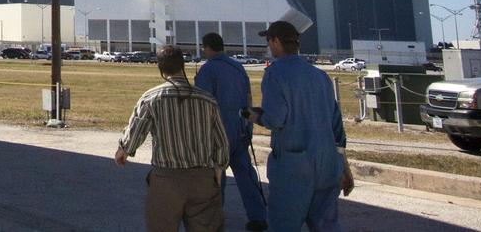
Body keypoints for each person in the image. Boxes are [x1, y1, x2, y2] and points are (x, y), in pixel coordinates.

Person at [243, 21, 353, 232]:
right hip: (327, 164)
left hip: (294, 167)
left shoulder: (275, 74)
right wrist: (343, 167)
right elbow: (337, 127)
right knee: (327, 225)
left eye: (269, 41)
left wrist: (254, 116)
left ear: (275, 41)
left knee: (284, 224)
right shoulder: (321, 76)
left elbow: (275, 119)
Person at [115, 45, 230, 232]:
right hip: (202, 178)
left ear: (160, 68)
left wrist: (124, 150)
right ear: (182, 65)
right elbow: (221, 140)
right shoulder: (207, 99)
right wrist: (219, 167)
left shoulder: (151, 98)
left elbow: (137, 130)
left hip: (167, 179)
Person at [195, 32, 268, 231]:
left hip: (218, 131)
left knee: (216, 177)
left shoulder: (208, 70)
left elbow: (202, 103)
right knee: (246, 176)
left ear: (207, 47)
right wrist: (249, 127)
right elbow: (248, 98)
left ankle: (215, 218)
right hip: (240, 128)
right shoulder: (237, 67)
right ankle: (258, 216)